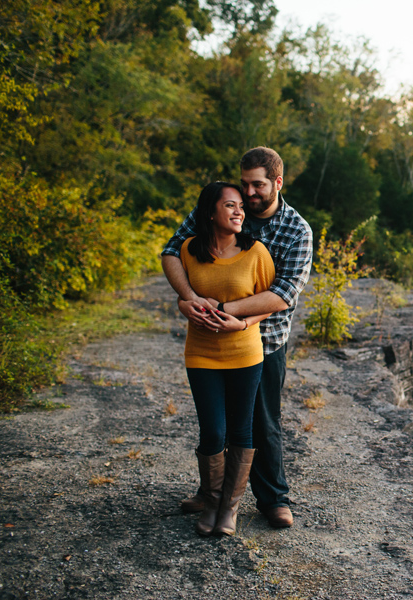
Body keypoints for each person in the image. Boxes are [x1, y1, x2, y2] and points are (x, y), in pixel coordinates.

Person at [161, 147, 313, 529]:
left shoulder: (296, 230)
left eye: (257, 185)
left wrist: (230, 312)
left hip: (265, 340)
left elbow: (284, 292)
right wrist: (189, 299)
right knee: (215, 422)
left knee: (260, 421)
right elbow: (172, 250)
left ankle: (272, 498)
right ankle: (211, 494)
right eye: (244, 184)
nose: (248, 193)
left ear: (277, 183)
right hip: (210, 340)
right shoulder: (221, 207)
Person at [179, 181, 274, 536]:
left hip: (245, 353)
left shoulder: (256, 253)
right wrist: (184, 305)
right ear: (210, 211)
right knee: (213, 430)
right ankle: (213, 499)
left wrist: (244, 321)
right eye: (230, 205)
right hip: (201, 353)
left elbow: (269, 302)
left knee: (240, 429)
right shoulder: (189, 249)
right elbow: (185, 296)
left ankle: (229, 509)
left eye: (241, 207)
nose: (239, 211)